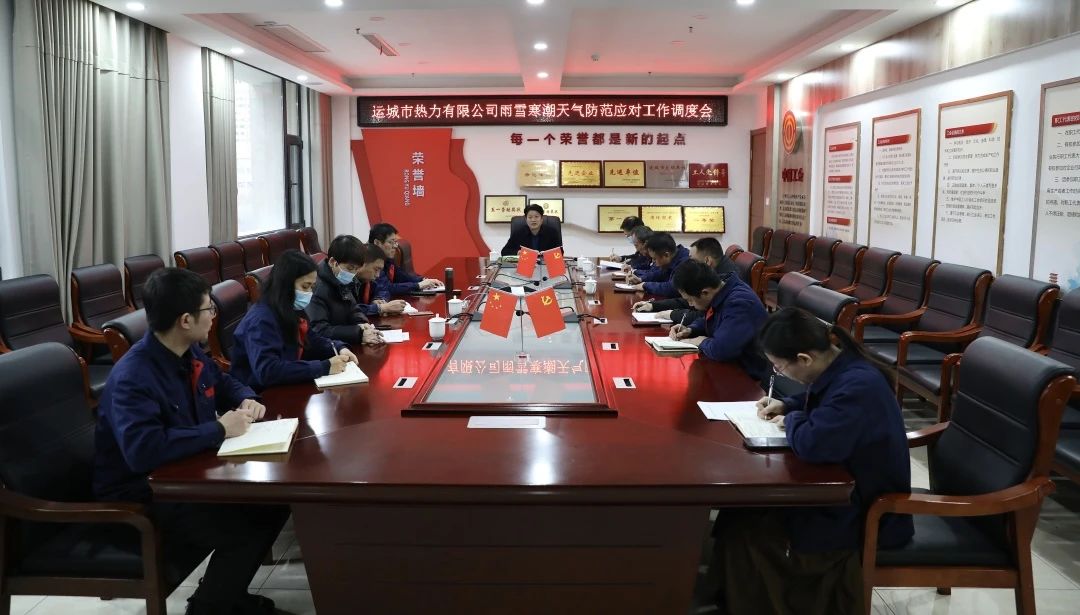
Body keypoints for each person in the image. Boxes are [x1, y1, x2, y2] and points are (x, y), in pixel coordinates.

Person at [93, 268, 288, 615]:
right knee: (244, 525)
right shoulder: (133, 377)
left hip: (187, 475)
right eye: (208, 309)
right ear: (185, 320)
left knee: (273, 503)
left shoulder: (188, 352)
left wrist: (245, 396)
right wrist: (219, 430)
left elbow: (223, 382)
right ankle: (208, 608)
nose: (214, 316)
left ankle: (224, 597)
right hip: (143, 494)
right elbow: (144, 451)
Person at [711, 308, 914, 615]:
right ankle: (728, 594)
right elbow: (820, 403)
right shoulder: (842, 366)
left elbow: (813, 444)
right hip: (844, 489)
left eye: (780, 367)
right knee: (740, 512)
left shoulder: (858, 386)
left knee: (751, 533)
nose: (779, 373)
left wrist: (791, 419)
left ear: (804, 359)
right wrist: (787, 404)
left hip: (864, 509)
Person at [231, 249, 359, 391]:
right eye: (305, 286)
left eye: (312, 287)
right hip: (257, 395)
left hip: (286, 385)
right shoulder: (261, 319)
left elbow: (311, 340)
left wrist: (339, 348)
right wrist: (323, 367)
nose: (309, 293)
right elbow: (268, 370)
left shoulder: (288, 307)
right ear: (285, 284)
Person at [667, 259, 768, 377]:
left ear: (705, 292)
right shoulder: (721, 290)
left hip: (747, 375)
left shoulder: (739, 303)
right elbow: (712, 318)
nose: (690, 304)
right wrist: (690, 330)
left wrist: (700, 341)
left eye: (690, 300)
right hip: (728, 367)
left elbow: (721, 350)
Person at [633, 237, 737, 323]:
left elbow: (705, 316)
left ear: (707, 261)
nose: (688, 263)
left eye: (692, 260)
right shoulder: (710, 273)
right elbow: (690, 299)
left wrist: (672, 314)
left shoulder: (725, 281)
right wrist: (654, 305)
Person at [307, 234, 387, 345]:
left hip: (343, 343)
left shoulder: (340, 279)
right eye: (350, 268)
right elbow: (319, 330)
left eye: (356, 269)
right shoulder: (315, 287)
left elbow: (353, 308)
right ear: (332, 262)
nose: (352, 274)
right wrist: (358, 333)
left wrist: (362, 324)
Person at [369, 222, 441, 295]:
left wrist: (424, 280)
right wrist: (418, 285)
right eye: (391, 242)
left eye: (396, 242)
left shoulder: (388, 259)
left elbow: (403, 277)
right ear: (377, 243)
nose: (395, 246)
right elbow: (387, 288)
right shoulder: (371, 262)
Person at [623, 232, 690, 298]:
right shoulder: (672, 257)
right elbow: (659, 273)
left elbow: (673, 288)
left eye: (655, 259)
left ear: (666, 255)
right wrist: (640, 279)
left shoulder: (685, 263)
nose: (653, 262)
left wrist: (645, 285)